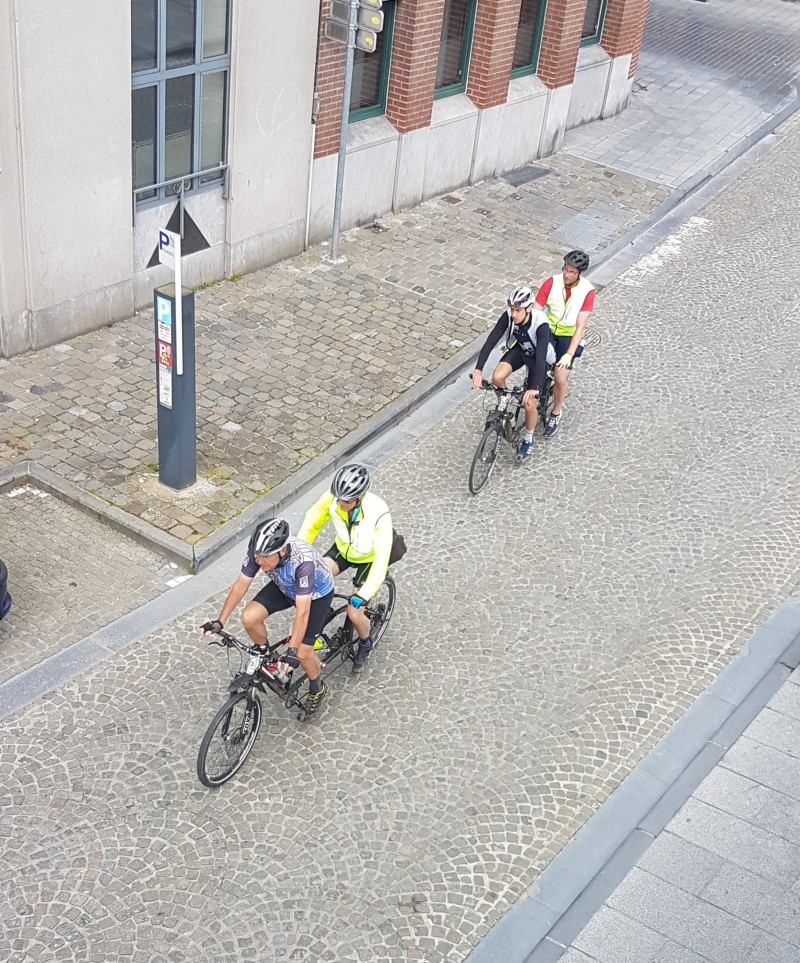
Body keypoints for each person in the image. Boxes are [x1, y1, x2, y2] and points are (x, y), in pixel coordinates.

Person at [200, 517, 335, 715]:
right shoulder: (260, 552)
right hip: (285, 587)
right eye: (257, 556)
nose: (259, 561)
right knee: (249, 617)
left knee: (303, 653)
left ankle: (317, 687)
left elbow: (303, 612)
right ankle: (266, 653)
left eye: (265, 557)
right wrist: (220, 621)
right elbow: (241, 584)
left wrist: (292, 651)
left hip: (315, 596)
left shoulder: (302, 563)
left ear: (282, 550)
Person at [298, 463, 392, 672]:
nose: (340, 503)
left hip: (369, 557)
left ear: (359, 497)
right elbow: (310, 525)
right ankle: (321, 618)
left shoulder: (379, 512)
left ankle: (366, 644)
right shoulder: (333, 500)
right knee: (312, 581)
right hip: (343, 549)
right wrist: (300, 558)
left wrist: (365, 594)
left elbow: (382, 558)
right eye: (338, 498)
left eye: (346, 500)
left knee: (354, 612)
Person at [471, 285, 552, 464]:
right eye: (512, 309)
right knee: (497, 378)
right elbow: (490, 341)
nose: (513, 314)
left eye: (518, 310)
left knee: (530, 402)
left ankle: (528, 440)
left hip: (539, 357)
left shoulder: (541, 324)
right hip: (521, 350)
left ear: (529, 308)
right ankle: (505, 405)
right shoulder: (509, 316)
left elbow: (540, 360)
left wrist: (535, 388)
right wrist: (478, 369)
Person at [532, 250, 595, 438]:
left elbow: (581, 326)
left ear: (580, 273)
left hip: (568, 335)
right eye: (565, 270)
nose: (567, 275)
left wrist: (569, 354)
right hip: (548, 330)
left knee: (560, 376)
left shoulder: (587, 291)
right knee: (535, 364)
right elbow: (536, 311)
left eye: (572, 272)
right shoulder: (551, 283)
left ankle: (556, 412)